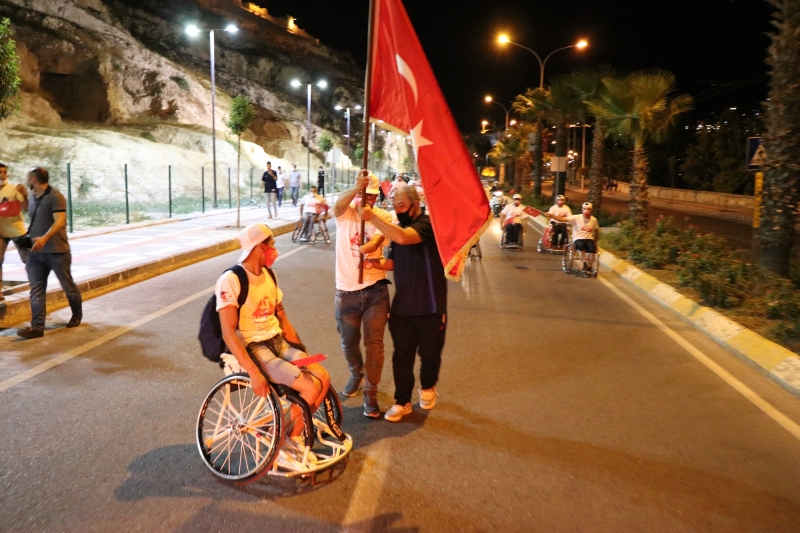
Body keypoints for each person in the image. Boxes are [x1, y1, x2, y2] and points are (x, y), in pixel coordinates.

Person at [216, 223, 330, 450]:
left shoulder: (270, 275)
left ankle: (288, 434)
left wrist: (301, 349)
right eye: (272, 244)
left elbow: (283, 319)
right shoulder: (231, 279)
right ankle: (281, 435)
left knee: (323, 378)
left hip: (277, 342)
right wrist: (253, 372)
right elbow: (228, 333)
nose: (275, 249)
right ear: (259, 247)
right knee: (309, 387)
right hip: (255, 348)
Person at [359, 185, 447, 423]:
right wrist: (374, 264)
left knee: (429, 355)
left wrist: (372, 217)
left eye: (401, 205)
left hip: (430, 306)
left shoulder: (427, 225)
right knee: (402, 357)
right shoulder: (398, 229)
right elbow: (393, 262)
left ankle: (428, 387)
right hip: (403, 308)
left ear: (415, 205)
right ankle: (402, 402)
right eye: (394, 205)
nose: (397, 210)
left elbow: (404, 238)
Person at [332, 170, 394, 417]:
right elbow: (338, 204)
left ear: (377, 197)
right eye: (362, 196)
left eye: (371, 197)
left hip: (375, 291)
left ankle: (371, 392)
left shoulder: (383, 216)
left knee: (375, 344)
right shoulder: (344, 215)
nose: (366, 201)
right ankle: (356, 372)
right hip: (346, 291)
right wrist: (355, 188)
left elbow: (380, 239)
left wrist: (371, 247)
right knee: (348, 341)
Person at [17, 167, 82, 338]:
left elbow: (59, 222)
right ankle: (37, 327)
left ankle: (76, 314)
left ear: (34, 180)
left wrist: (44, 239)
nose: (27, 180)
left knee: (68, 287)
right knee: (36, 289)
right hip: (35, 253)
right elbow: (28, 213)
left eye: (28, 178)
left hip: (57, 252)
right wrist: (23, 197)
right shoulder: (33, 197)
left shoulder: (56, 197)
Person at [0, 163, 29, 303]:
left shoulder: (13, 190)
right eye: (0, 172)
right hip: (1, 232)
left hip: (17, 231)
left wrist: (24, 194)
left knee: (29, 260)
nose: (3, 175)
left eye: (4, 172)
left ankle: (37, 286)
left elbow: (26, 208)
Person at [548, 202, 600, 272]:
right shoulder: (576, 217)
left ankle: (589, 267)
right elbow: (563, 219)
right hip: (578, 238)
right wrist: (552, 216)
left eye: (588, 209)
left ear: (591, 210)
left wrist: (595, 241)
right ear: (582, 209)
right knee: (581, 246)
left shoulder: (594, 220)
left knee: (592, 249)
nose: (586, 211)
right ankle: (584, 262)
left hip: (589, 238)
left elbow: (596, 230)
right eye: (585, 209)